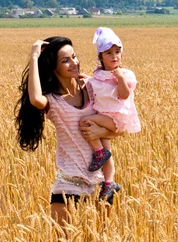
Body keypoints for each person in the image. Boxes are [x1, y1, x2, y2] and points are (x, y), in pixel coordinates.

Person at [14, 36, 122, 229]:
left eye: (74, 57)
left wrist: (100, 132)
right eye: (66, 60)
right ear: (54, 68)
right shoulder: (53, 101)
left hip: (101, 185)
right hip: (68, 186)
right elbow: (35, 99)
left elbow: (120, 125)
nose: (74, 63)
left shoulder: (92, 87)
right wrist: (33, 56)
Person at [80, 27, 141, 200]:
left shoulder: (126, 74)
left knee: (85, 121)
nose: (114, 56)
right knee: (108, 152)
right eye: (108, 53)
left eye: (117, 52)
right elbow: (95, 84)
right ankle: (109, 182)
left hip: (116, 117)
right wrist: (86, 79)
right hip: (104, 118)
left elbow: (124, 95)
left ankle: (98, 152)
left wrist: (120, 77)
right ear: (100, 57)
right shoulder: (99, 74)